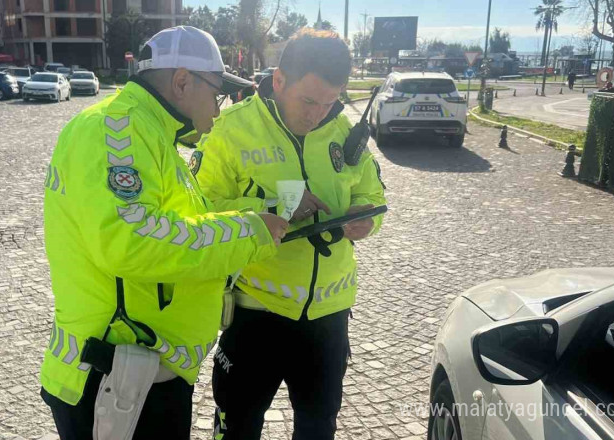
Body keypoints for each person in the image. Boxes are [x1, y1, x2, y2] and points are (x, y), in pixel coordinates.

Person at [39, 26, 289, 440]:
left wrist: (258, 214)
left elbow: (179, 220)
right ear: (181, 82)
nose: (219, 107)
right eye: (217, 93)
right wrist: (248, 232)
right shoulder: (118, 130)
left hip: (139, 372)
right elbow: (131, 239)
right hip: (116, 378)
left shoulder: (149, 133)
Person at [191, 29, 387, 440]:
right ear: (279, 81)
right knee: (237, 426)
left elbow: (371, 192)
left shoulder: (343, 132)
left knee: (318, 427)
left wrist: (364, 218)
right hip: (256, 314)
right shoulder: (231, 129)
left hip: (328, 318)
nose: (318, 113)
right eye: (309, 100)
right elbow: (198, 211)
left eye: (331, 101)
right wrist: (277, 206)